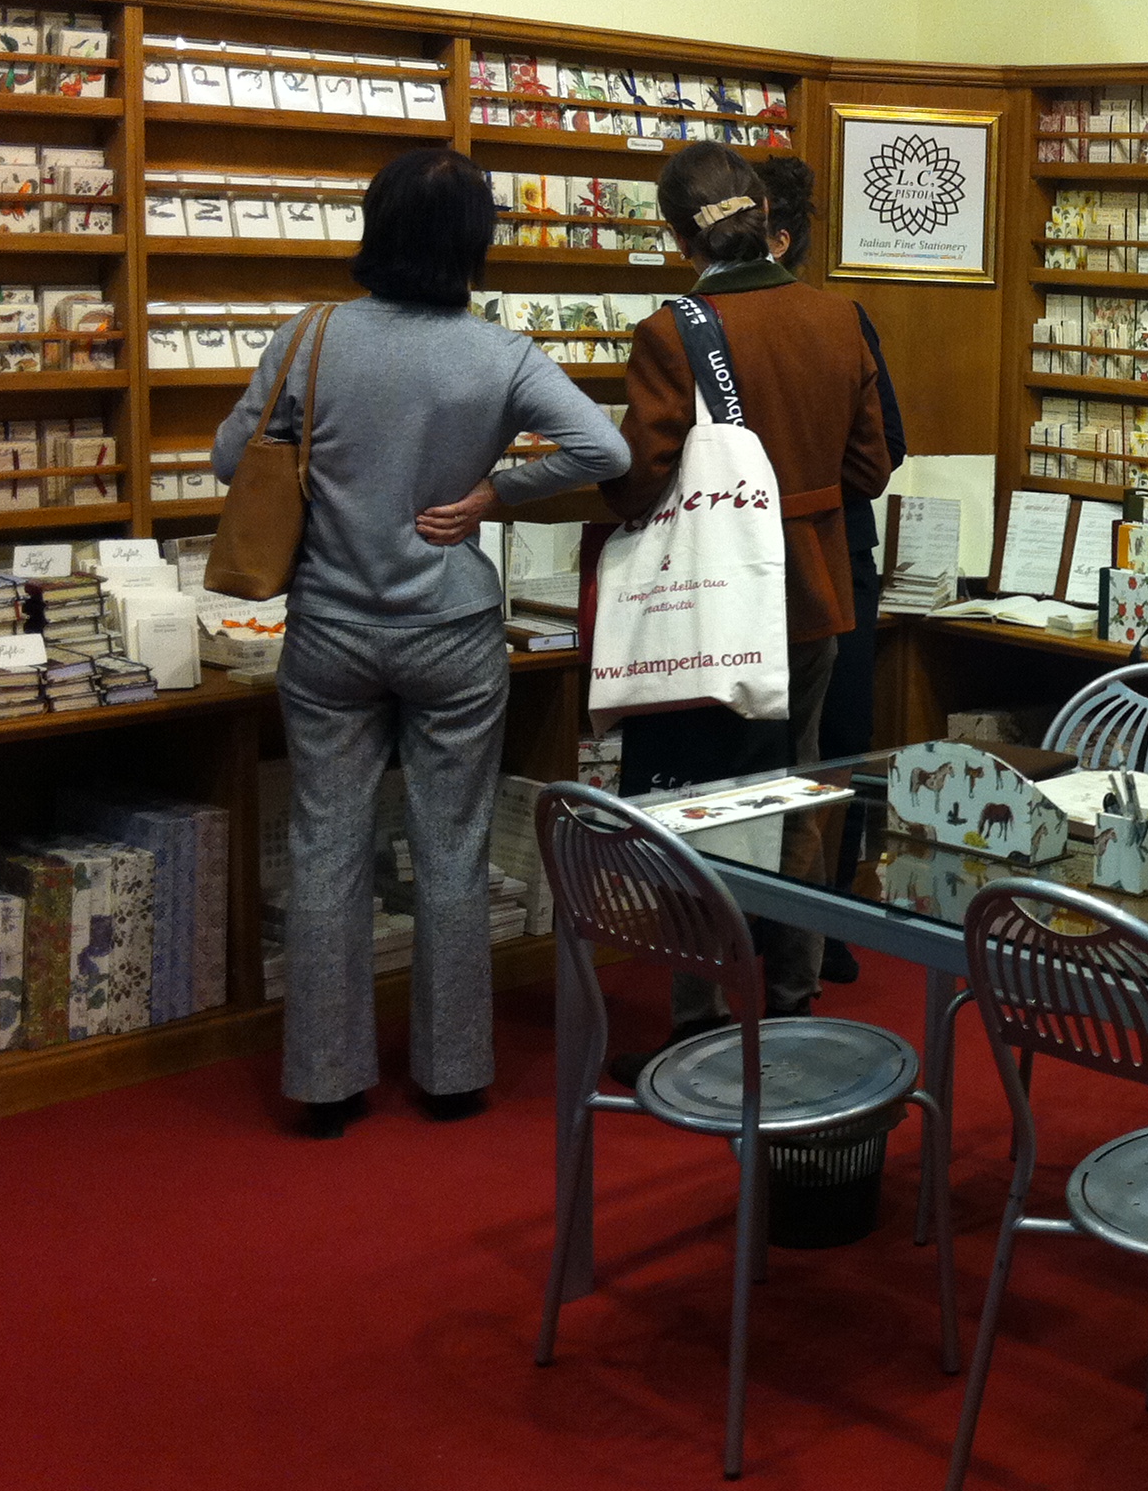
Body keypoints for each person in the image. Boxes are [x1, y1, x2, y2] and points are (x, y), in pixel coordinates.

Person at [214, 148, 629, 1139]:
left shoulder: (310, 336)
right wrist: (494, 493)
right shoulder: (501, 354)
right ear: (474, 243)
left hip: (331, 625)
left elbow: (233, 458)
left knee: (326, 843)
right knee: (452, 845)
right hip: (452, 627)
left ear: (377, 227)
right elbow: (603, 449)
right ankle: (453, 1072)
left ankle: (325, 1081)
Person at [602, 142, 892, 1043]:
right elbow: (869, 469)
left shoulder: (671, 332)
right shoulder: (838, 317)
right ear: (768, 216)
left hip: (709, 602)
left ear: (677, 234)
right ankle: (794, 992)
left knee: (698, 804)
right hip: (810, 595)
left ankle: (701, 1013)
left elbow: (641, 480)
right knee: (795, 786)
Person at [756, 155, 906, 986]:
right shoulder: (713, 322)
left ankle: (822, 924)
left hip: (821, 557)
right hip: (823, 551)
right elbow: (881, 455)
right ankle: (789, 928)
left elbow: (889, 444)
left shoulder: (837, 320)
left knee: (826, 750)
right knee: (797, 748)